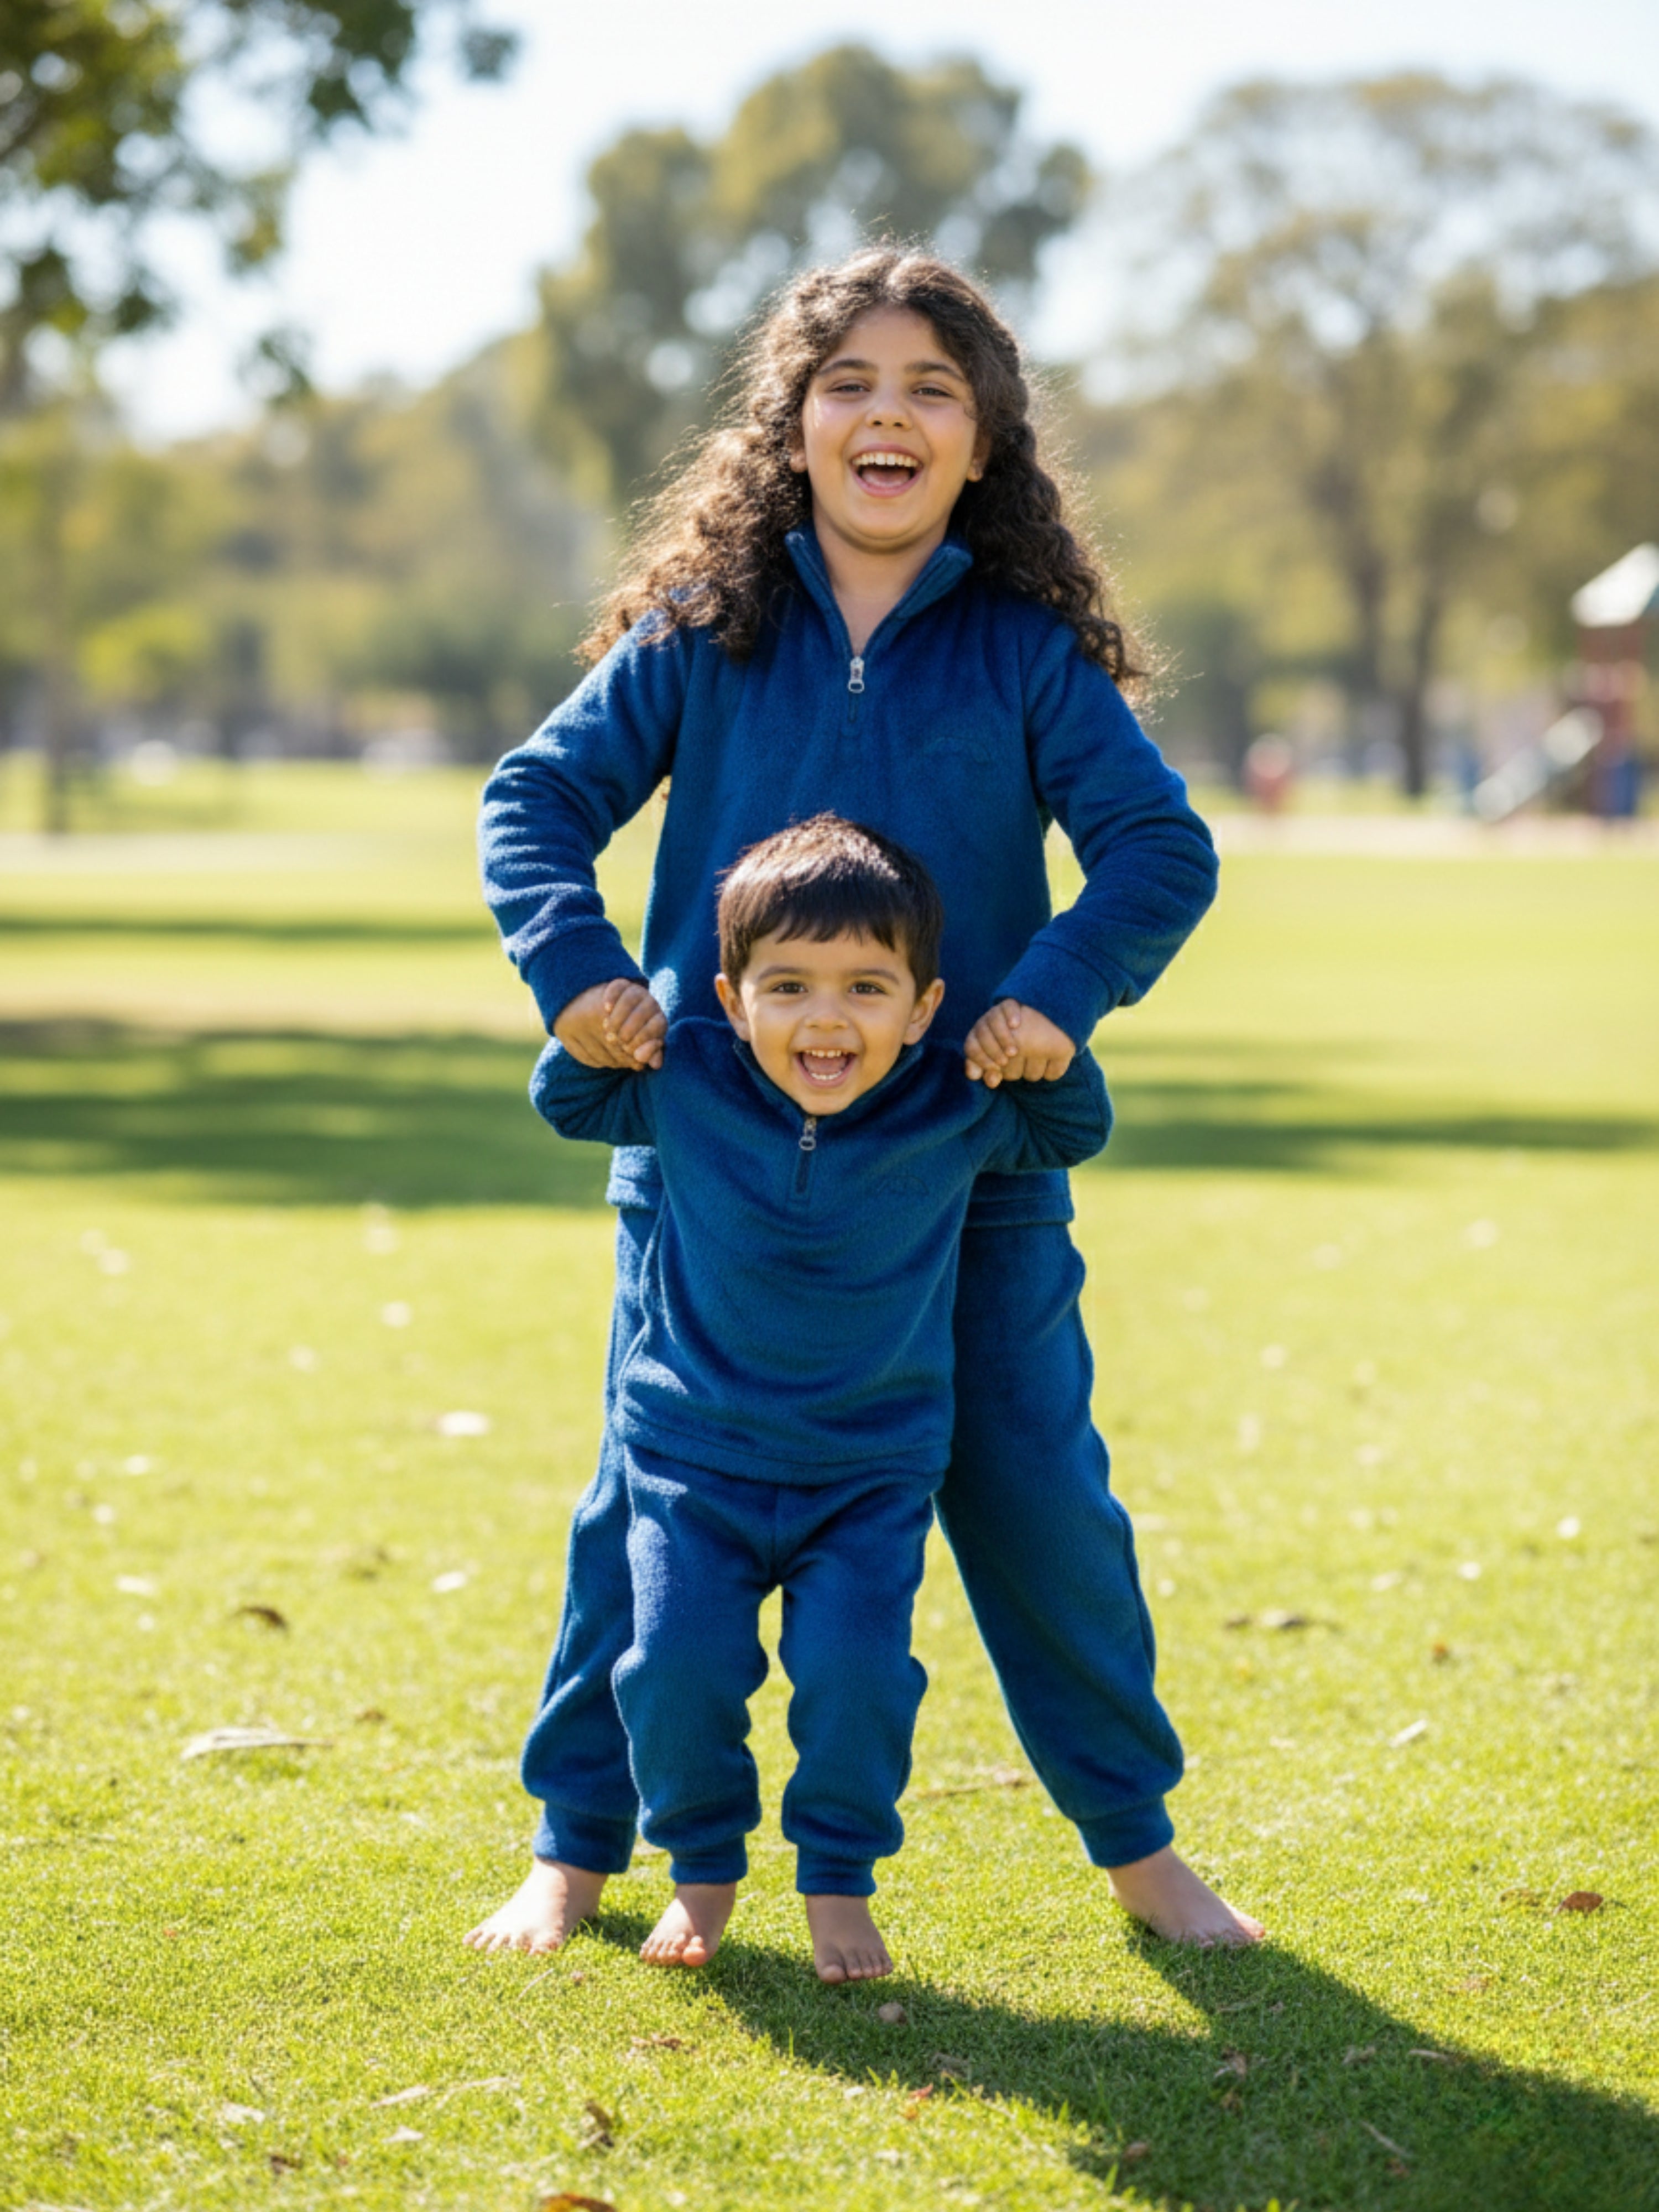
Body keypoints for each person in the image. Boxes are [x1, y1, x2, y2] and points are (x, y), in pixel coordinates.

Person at [467, 244, 1264, 1959]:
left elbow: (1158, 848)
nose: (887, 415)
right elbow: (533, 802)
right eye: (850, 385)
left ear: (984, 442)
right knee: (640, 1513)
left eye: (931, 390)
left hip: (964, 1174)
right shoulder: (705, 633)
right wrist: (579, 974)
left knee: (1042, 1496)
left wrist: (1053, 998)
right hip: (710, 1178)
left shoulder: (1023, 654)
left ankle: (1140, 1851)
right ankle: (573, 1849)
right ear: (792, 425)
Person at [533, 815, 1110, 1980]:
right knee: (674, 1669)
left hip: (869, 1474)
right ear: (731, 998)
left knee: (859, 1678)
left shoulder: (951, 1103)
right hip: (692, 1464)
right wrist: (612, 1018)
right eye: (788, 986)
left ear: (924, 1004)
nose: (827, 1019)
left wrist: (1031, 1036)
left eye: (866, 988)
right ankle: (702, 1870)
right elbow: (572, 1099)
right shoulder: (688, 1079)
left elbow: (1072, 1123)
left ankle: (839, 1879)